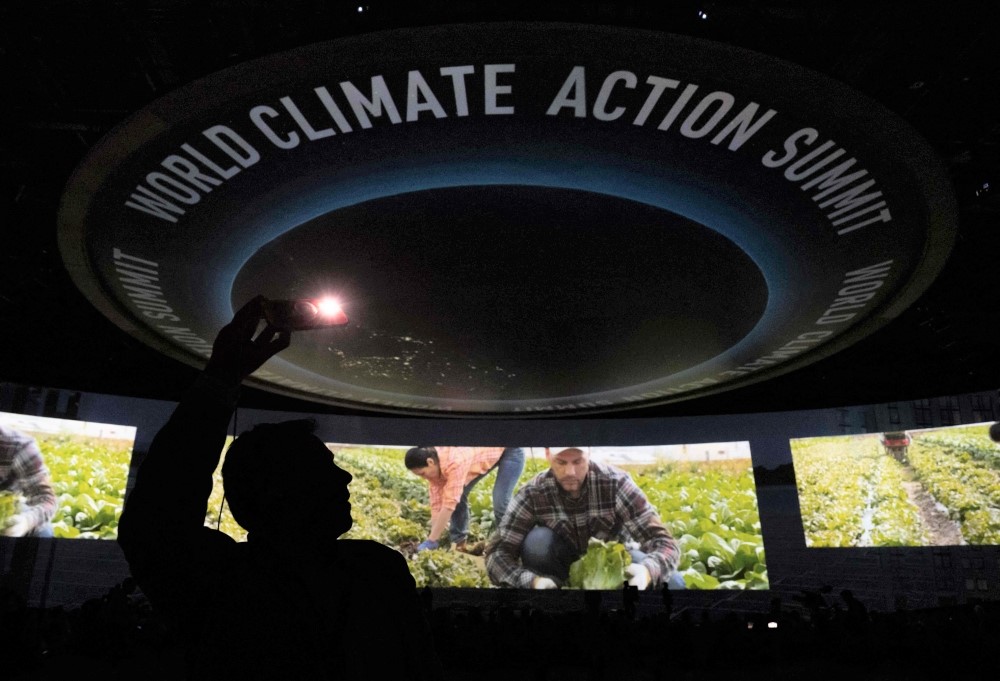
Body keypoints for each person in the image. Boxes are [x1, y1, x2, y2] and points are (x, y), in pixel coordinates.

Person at [117, 297, 438, 681]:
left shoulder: (222, 584)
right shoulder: (373, 571)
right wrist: (219, 381)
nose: (345, 479)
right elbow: (156, 520)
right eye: (322, 470)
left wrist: (219, 382)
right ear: (276, 493)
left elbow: (154, 521)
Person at [485, 447, 681, 590]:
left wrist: (647, 572)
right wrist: (533, 581)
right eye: (561, 462)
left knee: (675, 583)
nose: (570, 472)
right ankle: (556, 597)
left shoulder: (615, 483)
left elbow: (664, 542)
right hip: (559, 566)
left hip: (612, 568)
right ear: (547, 455)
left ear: (588, 454)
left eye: (578, 461)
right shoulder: (534, 492)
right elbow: (497, 554)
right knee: (537, 541)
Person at [404, 445, 524, 553]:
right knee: (458, 495)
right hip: (486, 452)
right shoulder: (435, 467)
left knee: (500, 501)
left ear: (430, 462)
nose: (423, 478)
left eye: (422, 474)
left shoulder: (455, 462)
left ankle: (510, 546)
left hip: (510, 449)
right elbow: (436, 504)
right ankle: (459, 543)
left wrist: (432, 540)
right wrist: (434, 536)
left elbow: (449, 503)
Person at [0, 424, 56, 537]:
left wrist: (25, 522)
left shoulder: (18, 446)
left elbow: (46, 499)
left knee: (43, 532)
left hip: (5, 510)